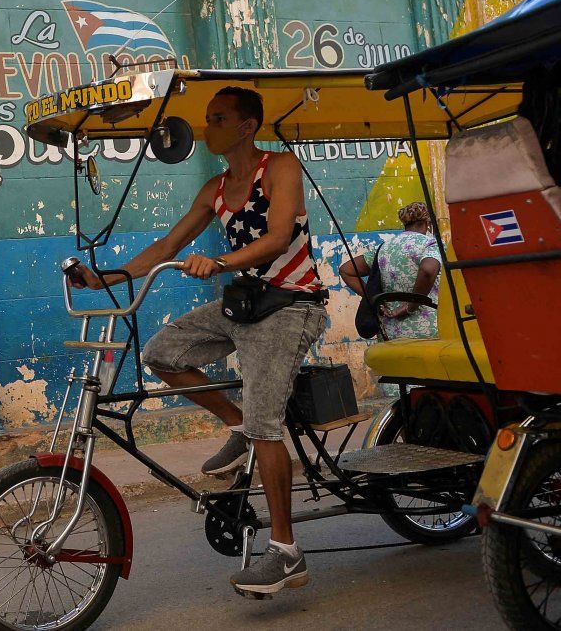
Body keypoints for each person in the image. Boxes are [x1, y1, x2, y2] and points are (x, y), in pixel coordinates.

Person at [71, 87, 328, 596]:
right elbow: (169, 244)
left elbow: (278, 237)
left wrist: (221, 262)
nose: (208, 127)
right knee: (162, 353)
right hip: (247, 302)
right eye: (209, 118)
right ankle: (235, 424)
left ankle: (286, 553)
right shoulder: (216, 187)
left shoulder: (280, 167)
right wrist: (105, 279)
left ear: (247, 126)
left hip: (292, 304)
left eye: (219, 118)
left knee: (267, 425)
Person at [339, 202, 441, 339]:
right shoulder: (430, 244)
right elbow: (428, 270)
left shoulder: (385, 248)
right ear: (427, 223)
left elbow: (346, 270)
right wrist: (411, 305)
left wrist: (373, 298)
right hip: (427, 331)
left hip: (390, 333)